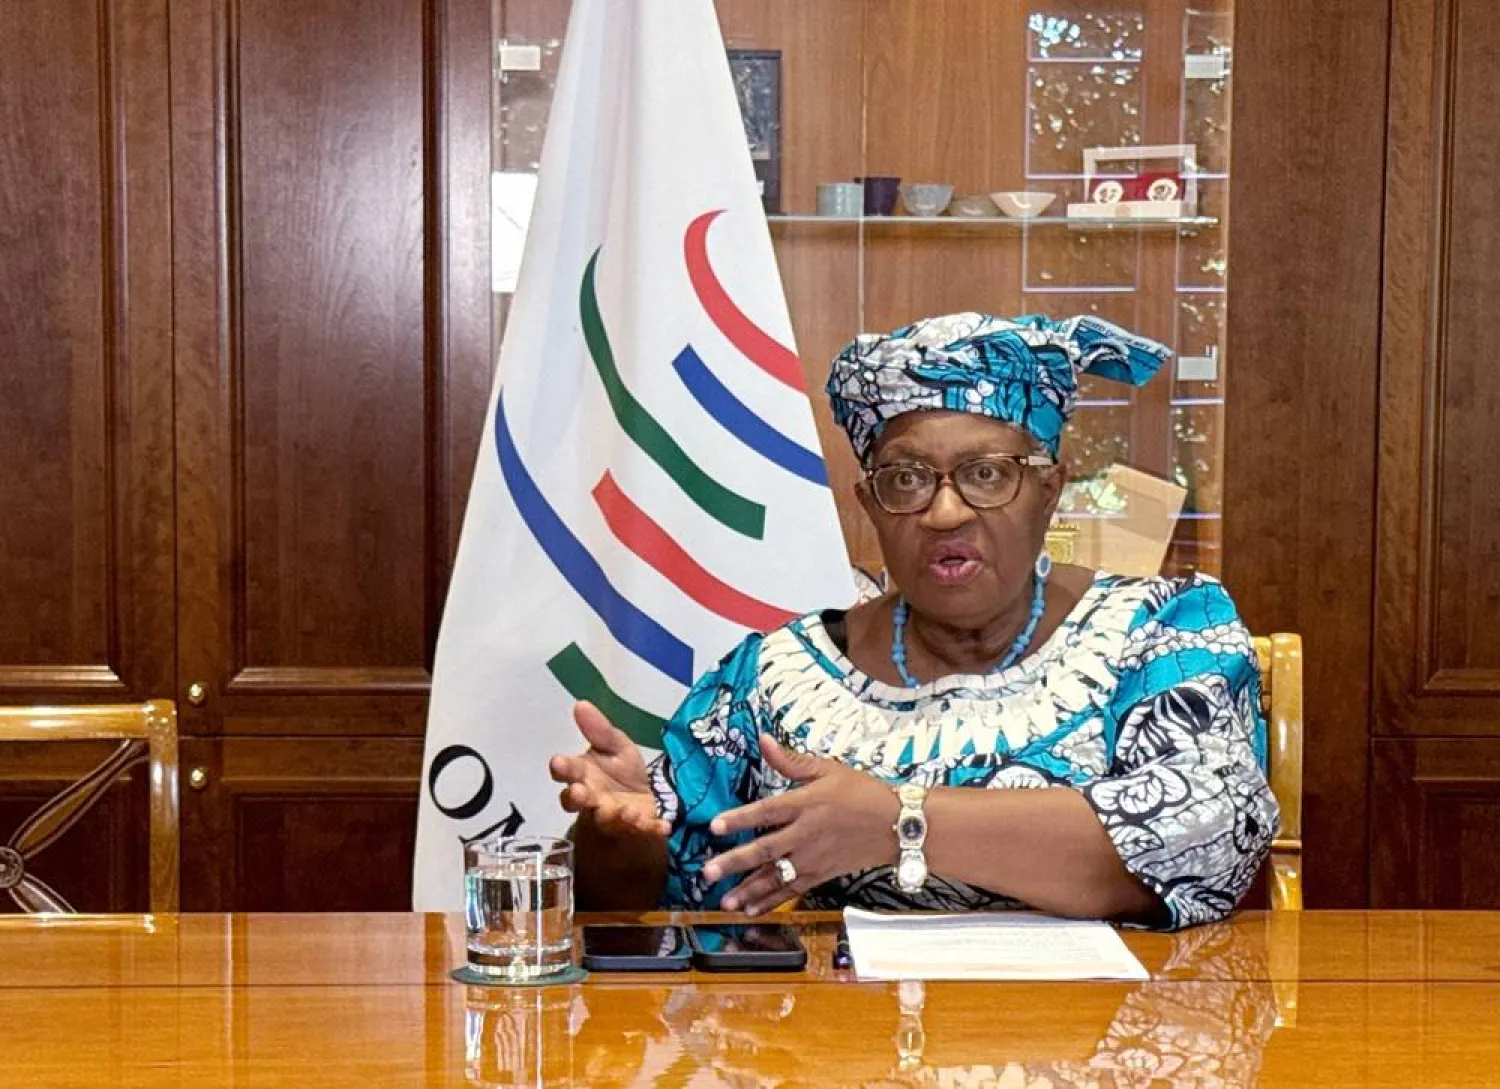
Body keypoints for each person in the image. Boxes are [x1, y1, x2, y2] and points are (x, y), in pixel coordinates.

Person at [549, 312, 1278, 929]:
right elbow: (647, 897)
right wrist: (621, 833)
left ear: (1048, 491)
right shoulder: (775, 679)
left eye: (988, 473)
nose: (946, 511)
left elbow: (1208, 840)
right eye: (906, 479)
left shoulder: (1162, 634)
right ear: (871, 507)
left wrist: (897, 821)